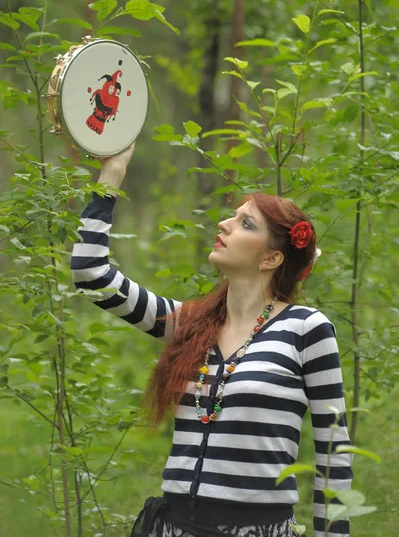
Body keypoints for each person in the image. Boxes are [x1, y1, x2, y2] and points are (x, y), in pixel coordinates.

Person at [71, 144, 353, 537]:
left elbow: (333, 453)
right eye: (232, 217)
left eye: (245, 224)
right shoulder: (189, 323)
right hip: (174, 528)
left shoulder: (308, 329)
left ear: (271, 259)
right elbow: (91, 274)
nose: (224, 224)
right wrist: (111, 176)